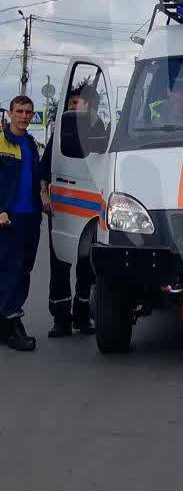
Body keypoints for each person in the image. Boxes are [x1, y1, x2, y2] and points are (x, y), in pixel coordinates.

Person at [38, 85, 97, 337]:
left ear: (91, 105)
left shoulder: (102, 130)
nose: (73, 108)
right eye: (71, 103)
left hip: (92, 206)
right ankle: (61, 319)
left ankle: (82, 315)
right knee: (60, 262)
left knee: (88, 264)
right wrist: (43, 193)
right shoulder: (62, 131)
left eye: (78, 103)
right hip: (63, 205)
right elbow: (45, 166)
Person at [0, 95, 45, 353]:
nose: (24, 117)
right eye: (20, 111)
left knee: (24, 270)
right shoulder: (1, 142)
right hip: (8, 219)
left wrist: (45, 197)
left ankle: (4, 325)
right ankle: (14, 327)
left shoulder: (30, 143)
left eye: (29, 112)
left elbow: (37, 177)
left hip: (30, 217)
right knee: (11, 271)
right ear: (9, 113)